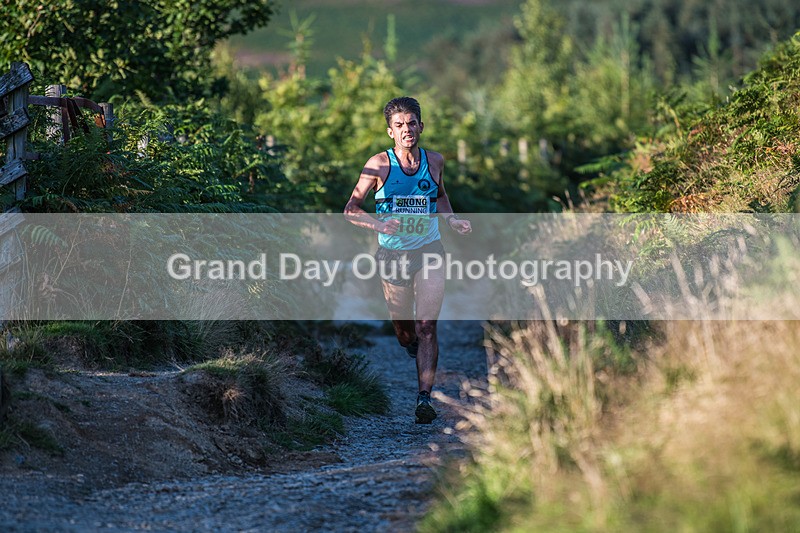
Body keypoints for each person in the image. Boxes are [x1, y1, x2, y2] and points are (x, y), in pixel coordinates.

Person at [344, 96, 471, 423]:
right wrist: (378, 224)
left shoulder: (436, 161)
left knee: (427, 326)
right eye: (399, 125)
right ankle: (409, 341)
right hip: (392, 254)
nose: (407, 130)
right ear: (390, 132)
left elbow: (440, 196)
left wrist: (452, 220)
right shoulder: (378, 165)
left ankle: (423, 399)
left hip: (429, 249)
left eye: (412, 123)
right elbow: (351, 209)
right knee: (405, 331)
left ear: (421, 126)